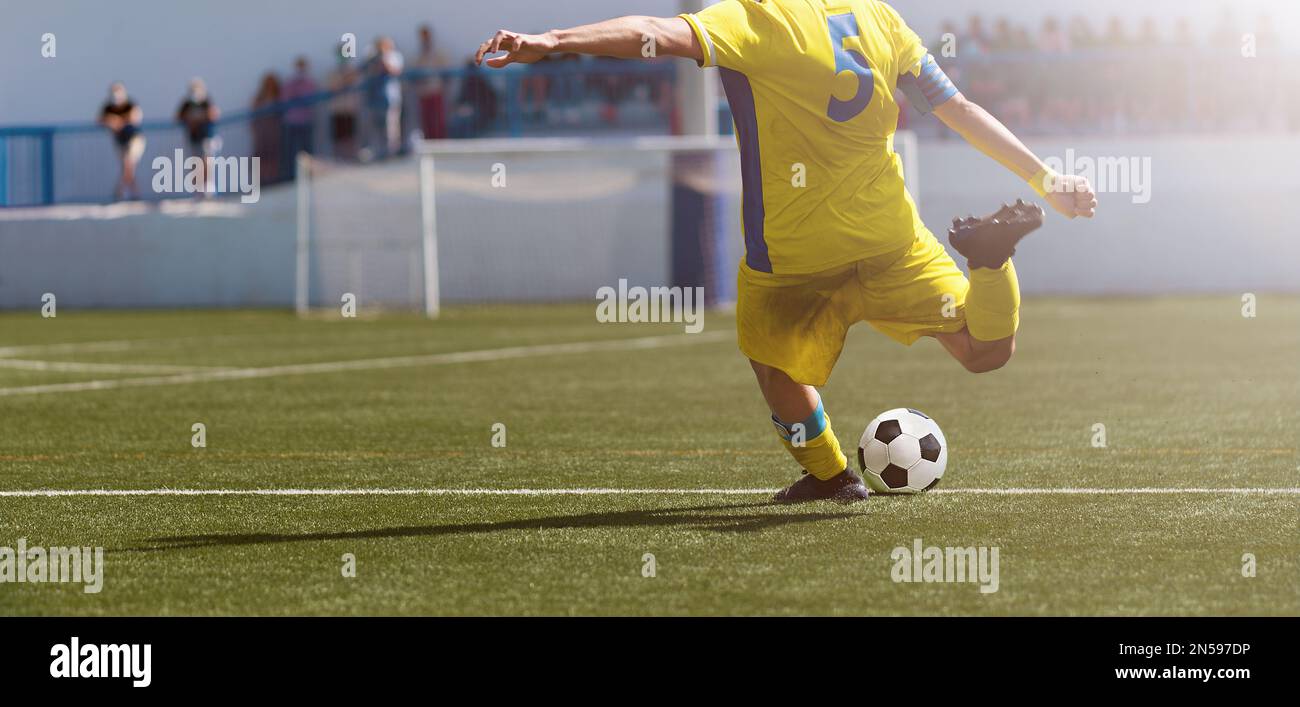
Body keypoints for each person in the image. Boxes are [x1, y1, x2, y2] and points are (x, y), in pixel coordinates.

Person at [475, 0, 1097, 503]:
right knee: (986, 350)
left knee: (774, 366)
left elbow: (654, 33)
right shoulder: (880, 18)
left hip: (796, 254)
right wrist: (1046, 179)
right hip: (891, 238)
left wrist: (552, 41)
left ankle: (831, 477)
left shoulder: (756, 18)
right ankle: (989, 263)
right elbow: (958, 108)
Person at [98, 82, 145, 201]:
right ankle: (135, 194)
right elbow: (99, 119)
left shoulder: (130, 105)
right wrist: (109, 120)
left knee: (128, 165)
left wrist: (117, 121)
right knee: (128, 168)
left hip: (134, 139)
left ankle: (119, 192)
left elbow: (135, 119)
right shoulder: (108, 107)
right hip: (120, 141)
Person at [175, 78, 221, 197]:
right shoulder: (187, 104)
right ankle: (198, 192)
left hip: (207, 137)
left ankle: (208, 188)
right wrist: (190, 119)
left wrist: (198, 119)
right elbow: (177, 117)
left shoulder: (206, 101)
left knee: (207, 161)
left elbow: (214, 114)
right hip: (194, 138)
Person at [364, 36, 405, 159]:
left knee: (391, 129)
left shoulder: (394, 57)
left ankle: (391, 153)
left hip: (390, 99)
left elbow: (394, 71)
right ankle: (378, 153)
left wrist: (383, 59)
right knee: (375, 128)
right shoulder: (372, 59)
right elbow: (365, 71)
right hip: (374, 99)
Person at [282, 56, 319, 178]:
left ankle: (309, 175)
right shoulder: (289, 83)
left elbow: (311, 100)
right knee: (291, 152)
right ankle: (291, 177)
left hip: (305, 121)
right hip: (292, 122)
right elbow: (286, 99)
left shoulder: (310, 83)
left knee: (307, 151)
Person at [414, 25, 451, 139]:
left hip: (436, 90)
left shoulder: (438, 53)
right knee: (426, 119)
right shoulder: (419, 55)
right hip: (424, 92)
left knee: (437, 119)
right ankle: (428, 139)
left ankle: (439, 139)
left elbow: (445, 71)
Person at [327, 43, 362, 160]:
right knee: (339, 138)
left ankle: (351, 157)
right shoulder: (333, 72)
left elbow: (356, 84)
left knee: (351, 136)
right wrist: (343, 80)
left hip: (350, 109)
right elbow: (332, 87)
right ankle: (340, 158)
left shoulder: (353, 71)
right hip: (338, 110)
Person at [251, 72, 282, 184]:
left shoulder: (278, 97)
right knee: (260, 156)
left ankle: (274, 180)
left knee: (273, 155)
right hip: (262, 132)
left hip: (273, 132)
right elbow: (254, 115)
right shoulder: (259, 99)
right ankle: (260, 181)